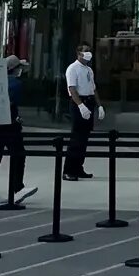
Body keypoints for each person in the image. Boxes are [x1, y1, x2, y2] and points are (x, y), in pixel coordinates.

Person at [0, 54, 38, 207]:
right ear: (15, 69)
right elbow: (14, 101)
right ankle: (17, 187)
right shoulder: (15, 83)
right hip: (9, 125)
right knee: (19, 154)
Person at [63, 41, 98, 181]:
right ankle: (68, 170)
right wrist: (80, 106)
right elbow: (72, 89)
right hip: (79, 102)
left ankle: (78, 167)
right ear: (79, 53)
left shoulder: (89, 70)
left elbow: (93, 88)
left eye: (90, 50)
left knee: (84, 138)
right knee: (76, 138)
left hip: (89, 101)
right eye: (86, 50)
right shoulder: (73, 68)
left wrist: (99, 105)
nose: (89, 53)